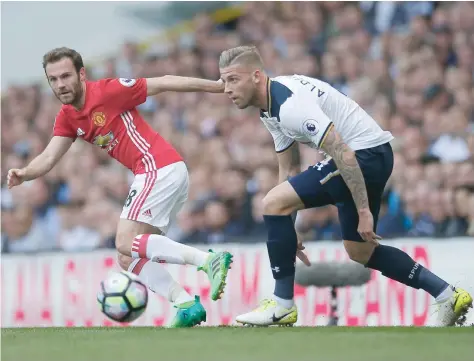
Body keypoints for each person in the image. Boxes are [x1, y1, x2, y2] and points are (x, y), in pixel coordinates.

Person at [218, 45, 472, 327]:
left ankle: (282, 305)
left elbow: (343, 153)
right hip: (370, 154)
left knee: (270, 202)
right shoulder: (268, 109)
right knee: (359, 251)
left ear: (255, 76)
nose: (226, 88)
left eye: (232, 79)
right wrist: (286, 226)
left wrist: (363, 211)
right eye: (223, 80)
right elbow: (288, 168)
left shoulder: (289, 105)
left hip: (362, 155)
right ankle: (446, 294)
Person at [7, 47, 233, 328]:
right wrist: (25, 173)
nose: (60, 84)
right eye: (53, 79)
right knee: (128, 257)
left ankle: (208, 260)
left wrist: (214, 87)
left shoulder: (108, 91)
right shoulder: (67, 117)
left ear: (81, 74)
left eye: (65, 76)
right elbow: (50, 157)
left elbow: (163, 82)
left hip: (158, 167)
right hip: (159, 173)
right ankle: (185, 304)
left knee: (124, 240)